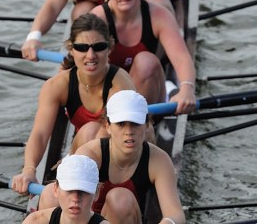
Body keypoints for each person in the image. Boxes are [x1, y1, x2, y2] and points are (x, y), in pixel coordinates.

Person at [11, 13, 135, 196]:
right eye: (82, 48)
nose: (90, 56)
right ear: (71, 48)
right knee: (90, 132)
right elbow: (39, 133)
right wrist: (29, 170)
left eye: (98, 47)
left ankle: (77, 188)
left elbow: (122, 137)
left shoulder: (120, 84)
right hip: (89, 150)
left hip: (120, 156)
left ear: (109, 47)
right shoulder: (57, 85)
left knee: (94, 131)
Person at [40, 90, 185, 224]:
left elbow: (176, 214)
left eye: (135, 124)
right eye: (121, 124)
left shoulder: (158, 160)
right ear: (107, 126)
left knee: (119, 199)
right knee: (49, 194)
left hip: (123, 216)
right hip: (83, 218)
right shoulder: (90, 155)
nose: (129, 132)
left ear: (147, 125)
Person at [91, 0, 197, 115]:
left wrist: (187, 88)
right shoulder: (98, 19)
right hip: (109, 98)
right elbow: (77, 63)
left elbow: (182, 57)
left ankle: (140, 125)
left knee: (146, 61)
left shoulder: (158, 15)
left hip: (148, 99)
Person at [22, 155, 109, 224]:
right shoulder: (34, 222)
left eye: (83, 191)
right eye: (69, 190)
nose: (75, 199)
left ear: (96, 193)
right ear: (56, 189)